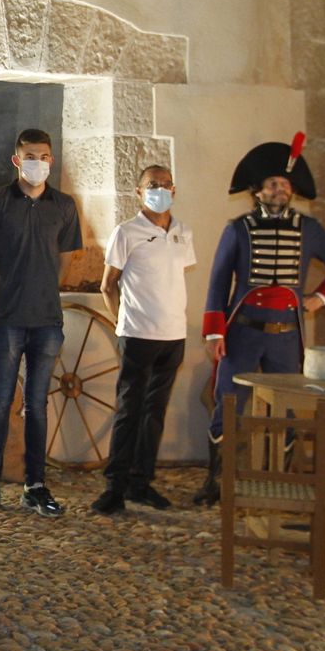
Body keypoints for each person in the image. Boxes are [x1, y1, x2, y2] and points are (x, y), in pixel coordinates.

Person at [195, 134, 325, 505]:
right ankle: (217, 482)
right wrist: (214, 333)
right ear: (258, 191)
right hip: (243, 334)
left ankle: (279, 481)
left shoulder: (309, 229)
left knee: (291, 407)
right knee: (228, 404)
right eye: (272, 184)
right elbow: (218, 282)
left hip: (286, 336)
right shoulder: (238, 229)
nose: (279, 189)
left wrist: (320, 297)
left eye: (284, 184)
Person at [0, 128, 83, 517]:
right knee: (0, 400)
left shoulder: (64, 205)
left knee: (37, 403)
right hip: (7, 316)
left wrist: (44, 286)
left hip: (47, 319)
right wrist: (6, 283)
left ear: (52, 160)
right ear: (17, 160)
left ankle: (36, 484)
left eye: (45, 156)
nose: (39, 162)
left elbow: (66, 259)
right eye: (31, 155)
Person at [91, 165, 197, 514]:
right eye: (153, 185)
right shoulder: (127, 232)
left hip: (173, 336)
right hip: (137, 335)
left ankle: (141, 482)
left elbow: (171, 278)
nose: (160, 190)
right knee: (129, 410)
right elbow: (108, 284)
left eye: (166, 184)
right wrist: (121, 320)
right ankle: (115, 487)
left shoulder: (182, 232)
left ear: (174, 189)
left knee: (155, 412)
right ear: (139, 192)